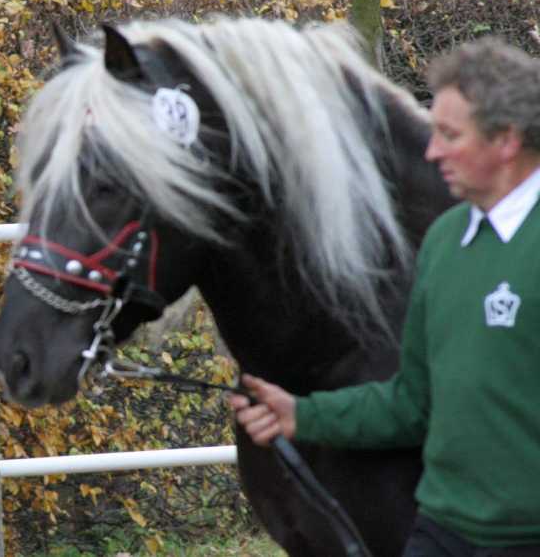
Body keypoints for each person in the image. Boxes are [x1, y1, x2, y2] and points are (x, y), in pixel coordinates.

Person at [228, 37, 540, 556]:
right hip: (442, 532)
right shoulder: (445, 240)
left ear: (506, 140)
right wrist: (301, 415)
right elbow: (412, 402)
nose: (432, 151)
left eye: (449, 135)